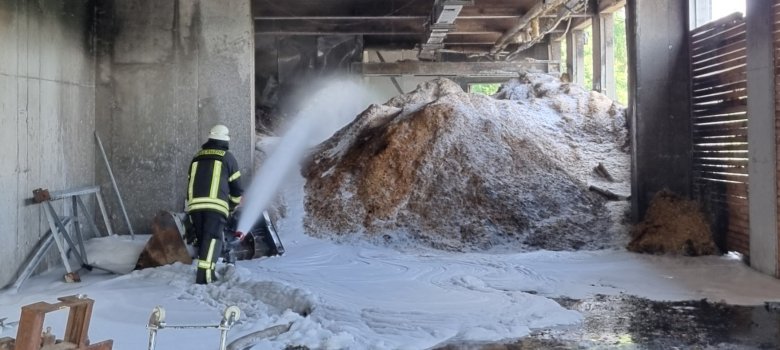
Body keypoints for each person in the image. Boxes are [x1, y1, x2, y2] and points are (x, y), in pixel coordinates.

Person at [186, 124, 243, 284]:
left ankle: (206, 273)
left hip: (195, 206)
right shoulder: (227, 157)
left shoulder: (197, 156)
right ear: (226, 140)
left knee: (204, 239)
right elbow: (237, 189)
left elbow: (190, 181)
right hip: (216, 207)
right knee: (212, 240)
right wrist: (231, 206)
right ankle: (204, 278)